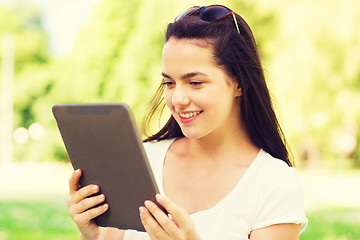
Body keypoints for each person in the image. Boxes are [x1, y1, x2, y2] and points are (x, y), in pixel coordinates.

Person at [67, 5, 308, 240]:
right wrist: (92, 237)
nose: (178, 99)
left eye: (195, 83)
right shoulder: (142, 161)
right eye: (169, 83)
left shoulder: (272, 184)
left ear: (239, 83)